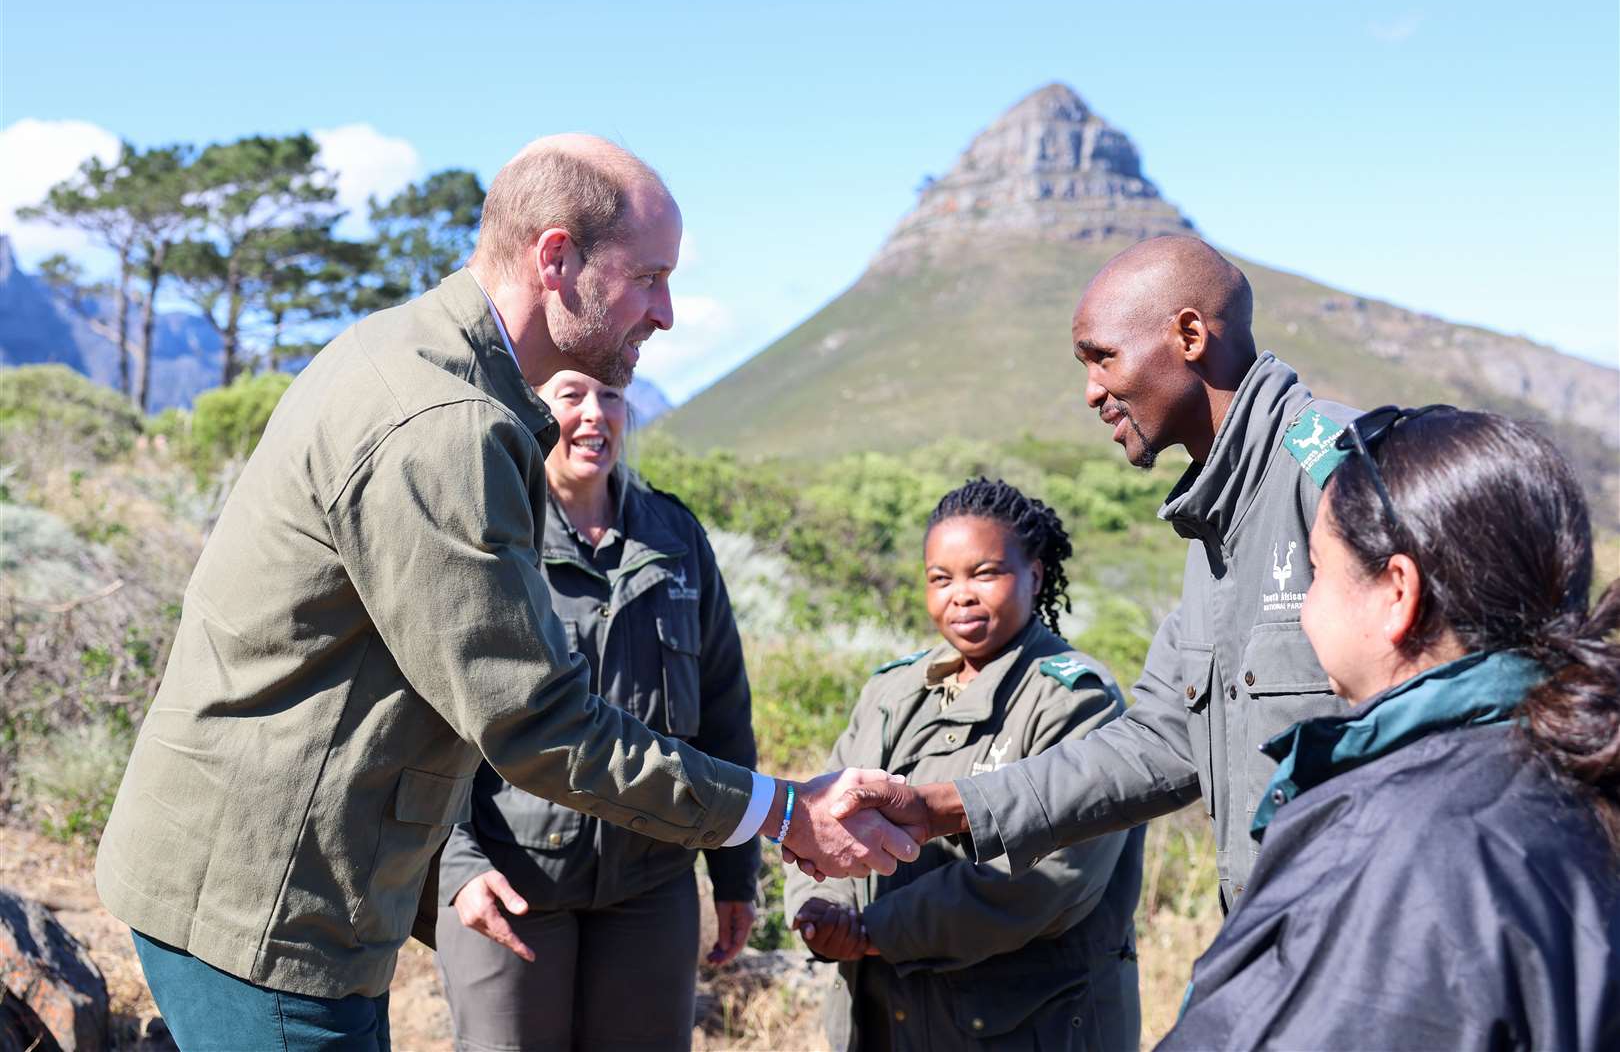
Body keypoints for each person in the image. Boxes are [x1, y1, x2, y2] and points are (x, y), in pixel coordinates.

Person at [95, 135, 918, 1048]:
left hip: (282, 891)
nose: (669, 312)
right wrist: (783, 812)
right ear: (557, 258)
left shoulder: (417, 362)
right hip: (270, 910)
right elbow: (537, 723)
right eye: (649, 277)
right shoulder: (444, 425)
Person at [829, 235, 1360, 910]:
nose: (1091, 392)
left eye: (1103, 357)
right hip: (1275, 942)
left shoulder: (1337, 478)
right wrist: (947, 807)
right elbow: (1162, 741)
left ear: (1189, 334)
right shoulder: (1217, 523)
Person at [1162, 407, 1620, 1049]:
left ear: (1396, 594)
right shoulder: (1575, 768)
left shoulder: (1400, 848)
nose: (1305, 604)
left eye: (1317, 570)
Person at [433, 368, 759, 1051]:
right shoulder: (490, 532)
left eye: (611, 395)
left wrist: (735, 872)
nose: (595, 414)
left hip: (651, 882)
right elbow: (430, 717)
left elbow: (725, 709)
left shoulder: (675, 538)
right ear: (531, 408)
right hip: (512, 881)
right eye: (572, 394)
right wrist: (454, 867)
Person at [786, 479, 1145, 1052]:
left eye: (985, 573)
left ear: (1035, 574)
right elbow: (821, 813)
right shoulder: (890, 691)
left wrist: (873, 932)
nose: (961, 596)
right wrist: (818, 910)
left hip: (1027, 1025)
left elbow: (1048, 879)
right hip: (887, 1020)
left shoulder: (1075, 700)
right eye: (940, 578)